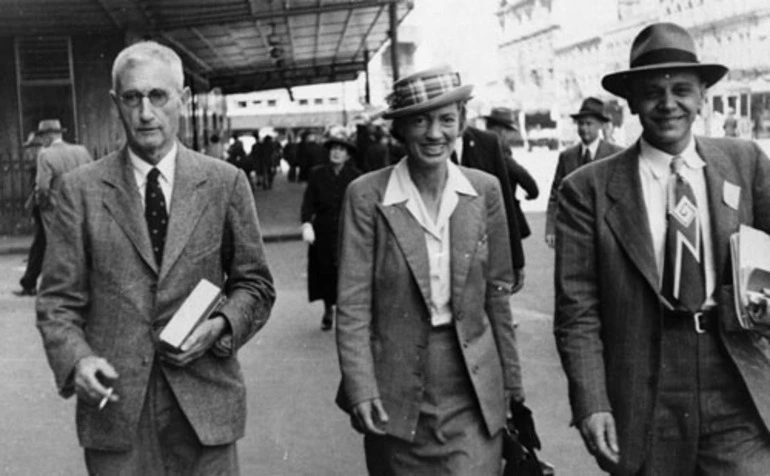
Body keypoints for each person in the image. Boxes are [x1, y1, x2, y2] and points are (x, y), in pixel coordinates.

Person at [36, 41, 276, 474]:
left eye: (158, 96)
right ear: (116, 104)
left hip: (205, 404)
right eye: (132, 98)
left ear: (182, 100)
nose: (146, 112)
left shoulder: (225, 183)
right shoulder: (80, 190)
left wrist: (221, 326)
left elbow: (255, 284)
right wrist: (78, 360)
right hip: (117, 406)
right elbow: (57, 302)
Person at [554, 22, 770, 475]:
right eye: (653, 91)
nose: (668, 104)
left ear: (702, 96)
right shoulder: (587, 190)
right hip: (646, 384)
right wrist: (592, 401)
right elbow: (578, 311)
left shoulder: (744, 161)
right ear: (631, 101)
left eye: (682, 90)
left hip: (735, 371)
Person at [335, 66, 537, 474]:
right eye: (420, 120)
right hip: (395, 385)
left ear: (461, 123)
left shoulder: (484, 191)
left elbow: (497, 295)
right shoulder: (367, 196)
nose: (434, 133)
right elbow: (353, 304)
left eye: (447, 119)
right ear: (401, 130)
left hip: (473, 384)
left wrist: (513, 386)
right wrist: (361, 387)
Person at [454, 111, 526, 293]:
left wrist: (516, 260)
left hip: (485, 254)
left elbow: (505, 205)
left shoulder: (487, 143)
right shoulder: (427, 145)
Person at [300, 131, 361, 330]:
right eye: (334, 149)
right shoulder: (317, 173)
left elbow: (360, 205)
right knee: (324, 271)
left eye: (341, 150)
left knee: (345, 272)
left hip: (347, 229)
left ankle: (344, 311)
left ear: (348, 155)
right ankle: (328, 309)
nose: (336, 153)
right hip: (324, 230)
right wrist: (307, 223)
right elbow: (308, 202)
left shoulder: (355, 176)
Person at [545, 97, 622, 248]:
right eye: (581, 124)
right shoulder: (567, 157)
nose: (584, 129)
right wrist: (551, 228)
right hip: (574, 232)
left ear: (600, 125)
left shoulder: (616, 155)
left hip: (607, 233)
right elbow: (556, 195)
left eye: (589, 124)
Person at [484, 106, 539, 239]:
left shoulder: (480, 148)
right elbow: (522, 175)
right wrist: (532, 192)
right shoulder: (501, 153)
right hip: (504, 215)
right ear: (501, 130)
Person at [33, 118, 94, 233]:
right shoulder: (81, 150)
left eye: (41, 137)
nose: (41, 141)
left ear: (48, 137)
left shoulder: (45, 154)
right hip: (81, 208)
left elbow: (42, 187)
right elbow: (93, 178)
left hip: (57, 211)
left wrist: (43, 205)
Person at [14, 131, 49, 296]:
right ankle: (30, 282)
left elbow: (39, 189)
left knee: (39, 246)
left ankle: (29, 283)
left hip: (44, 210)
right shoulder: (37, 163)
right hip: (44, 211)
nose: (28, 152)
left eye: (31, 148)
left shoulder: (40, 162)